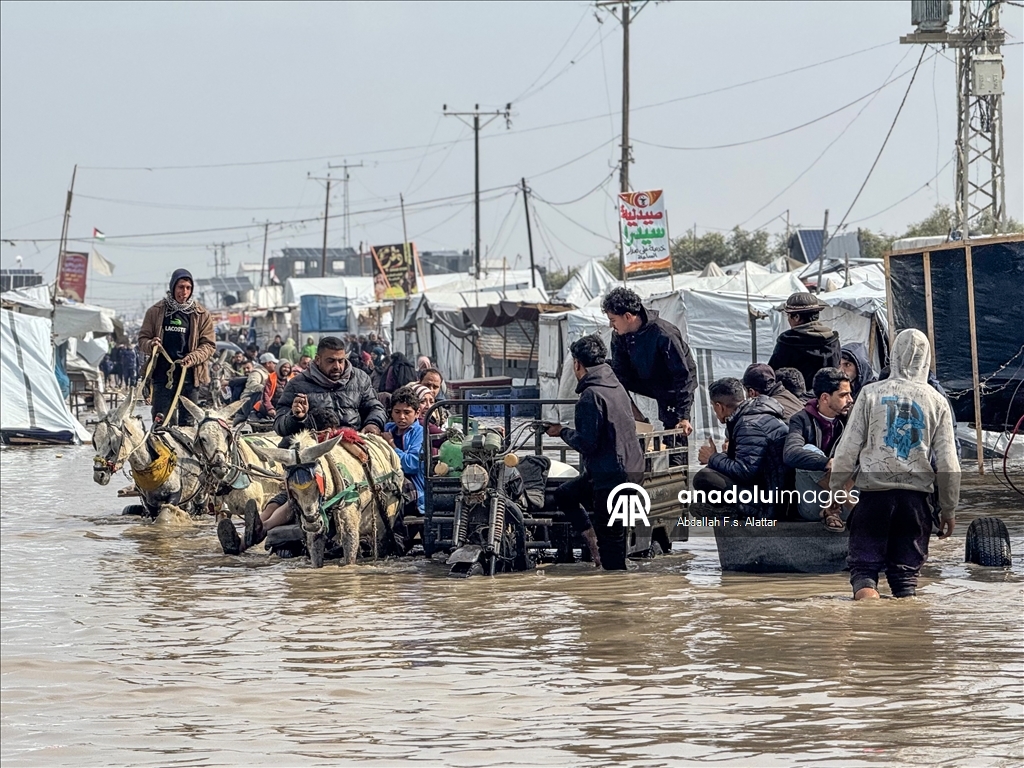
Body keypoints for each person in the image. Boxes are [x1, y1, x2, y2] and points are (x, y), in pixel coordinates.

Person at [830, 328, 960, 600]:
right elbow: (948, 463)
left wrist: (835, 489)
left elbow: (847, 448)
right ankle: (906, 634)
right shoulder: (937, 402)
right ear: (926, 359)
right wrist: (948, 509)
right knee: (905, 579)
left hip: (874, 496)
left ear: (894, 355)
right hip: (915, 501)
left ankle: (867, 629)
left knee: (864, 572)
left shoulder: (869, 394)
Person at [548, 334, 645, 571]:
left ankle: (612, 597)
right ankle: (591, 539)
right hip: (629, 470)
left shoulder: (590, 397)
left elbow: (587, 444)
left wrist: (561, 431)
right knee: (565, 494)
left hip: (611, 478)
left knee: (613, 548)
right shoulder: (616, 387)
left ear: (577, 364)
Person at [602, 287, 697, 466]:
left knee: (675, 430)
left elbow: (683, 377)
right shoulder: (619, 336)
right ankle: (635, 418)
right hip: (642, 376)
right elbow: (620, 373)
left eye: (613, 320)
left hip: (671, 384)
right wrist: (632, 412)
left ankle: (678, 474)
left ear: (628, 317)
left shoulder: (664, 334)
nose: (611, 325)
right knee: (606, 370)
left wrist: (684, 416)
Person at [693, 377, 789, 518]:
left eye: (714, 407)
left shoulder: (749, 425)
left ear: (720, 406)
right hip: (773, 490)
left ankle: (736, 513)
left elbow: (744, 472)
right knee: (714, 471)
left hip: (770, 502)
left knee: (704, 477)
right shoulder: (755, 415)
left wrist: (712, 457)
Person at [138, 268, 216, 427]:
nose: (184, 292)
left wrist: (193, 357)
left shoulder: (202, 314)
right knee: (162, 423)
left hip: (189, 376)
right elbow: (142, 339)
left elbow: (208, 345)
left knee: (188, 424)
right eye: (181, 287)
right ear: (173, 287)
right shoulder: (156, 312)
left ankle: (186, 452)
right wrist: (151, 344)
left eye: (188, 288)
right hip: (163, 376)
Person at [274, 335, 385, 438]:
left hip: (355, 443)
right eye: (331, 361)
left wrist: (373, 423)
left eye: (341, 361)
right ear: (318, 360)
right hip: (314, 448)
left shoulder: (360, 379)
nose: (337, 366)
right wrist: (296, 418)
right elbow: (279, 425)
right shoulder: (296, 385)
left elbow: (375, 407)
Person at [783, 367, 854, 526]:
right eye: (843, 395)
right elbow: (790, 454)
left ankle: (834, 510)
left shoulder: (850, 419)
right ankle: (843, 507)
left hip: (846, 502)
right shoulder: (801, 419)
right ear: (825, 398)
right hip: (815, 503)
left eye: (850, 393)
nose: (850, 399)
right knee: (808, 451)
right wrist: (827, 463)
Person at [768, 292, 841, 391]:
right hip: (827, 398)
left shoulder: (788, 341)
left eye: (789, 315)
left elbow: (772, 372)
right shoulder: (832, 340)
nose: (788, 319)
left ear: (797, 317)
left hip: (795, 400)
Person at [383, 386, 426, 516]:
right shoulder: (388, 429)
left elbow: (411, 465)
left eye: (407, 412)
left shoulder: (419, 433)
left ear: (417, 413)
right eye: (397, 412)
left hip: (413, 490)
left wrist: (391, 445)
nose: (401, 417)